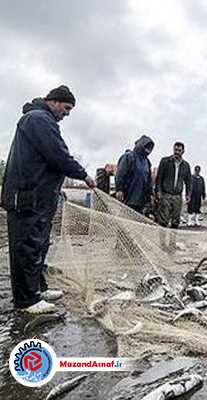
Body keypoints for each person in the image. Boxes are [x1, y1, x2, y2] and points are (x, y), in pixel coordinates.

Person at [1, 86, 96, 314]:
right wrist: (83, 174)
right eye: (66, 107)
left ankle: (38, 289)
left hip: (39, 198)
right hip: (27, 197)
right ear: (53, 101)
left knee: (40, 245)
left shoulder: (42, 119)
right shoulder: (38, 119)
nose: (67, 113)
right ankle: (26, 301)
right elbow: (57, 154)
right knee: (27, 247)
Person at [155, 142, 191, 229]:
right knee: (163, 221)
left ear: (183, 151)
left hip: (177, 197)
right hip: (166, 195)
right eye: (175, 150)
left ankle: (172, 242)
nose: (177, 152)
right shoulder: (165, 161)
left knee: (175, 222)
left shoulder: (186, 165)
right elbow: (159, 179)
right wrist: (158, 192)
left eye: (179, 150)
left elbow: (188, 182)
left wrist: (188, 194)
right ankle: (162, 242)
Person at [115, 135, 154, 214]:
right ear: (141, 145)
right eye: (147, 146)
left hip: (141, 200)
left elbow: (149, 180)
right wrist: (119, 189)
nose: (148, 149)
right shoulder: (128, 157)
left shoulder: (147, 162)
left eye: (150, 148)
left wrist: (150, 194)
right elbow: (120, 174)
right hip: (128, 197)